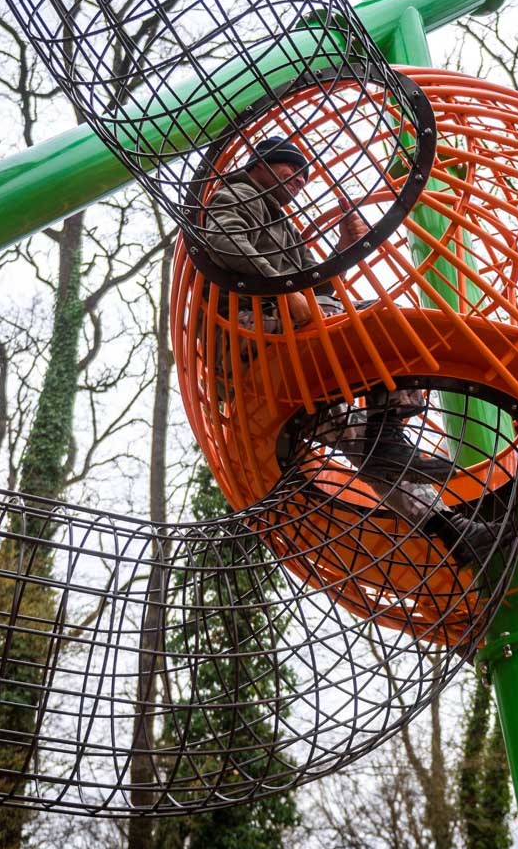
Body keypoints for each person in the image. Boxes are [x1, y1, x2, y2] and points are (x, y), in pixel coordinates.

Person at [197, 137, 499, 570]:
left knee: (361, 441)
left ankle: (453, 529)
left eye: (304, 177)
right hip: (246, 331)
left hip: (284, 353)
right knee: (379, 320)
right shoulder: (239, 194)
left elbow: (316, 284)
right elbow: (224, 242)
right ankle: (387, 432)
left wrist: (342, 249)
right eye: (291, 170)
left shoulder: (283, 224)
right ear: (261, 163)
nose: (300, 181)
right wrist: (284, 291)